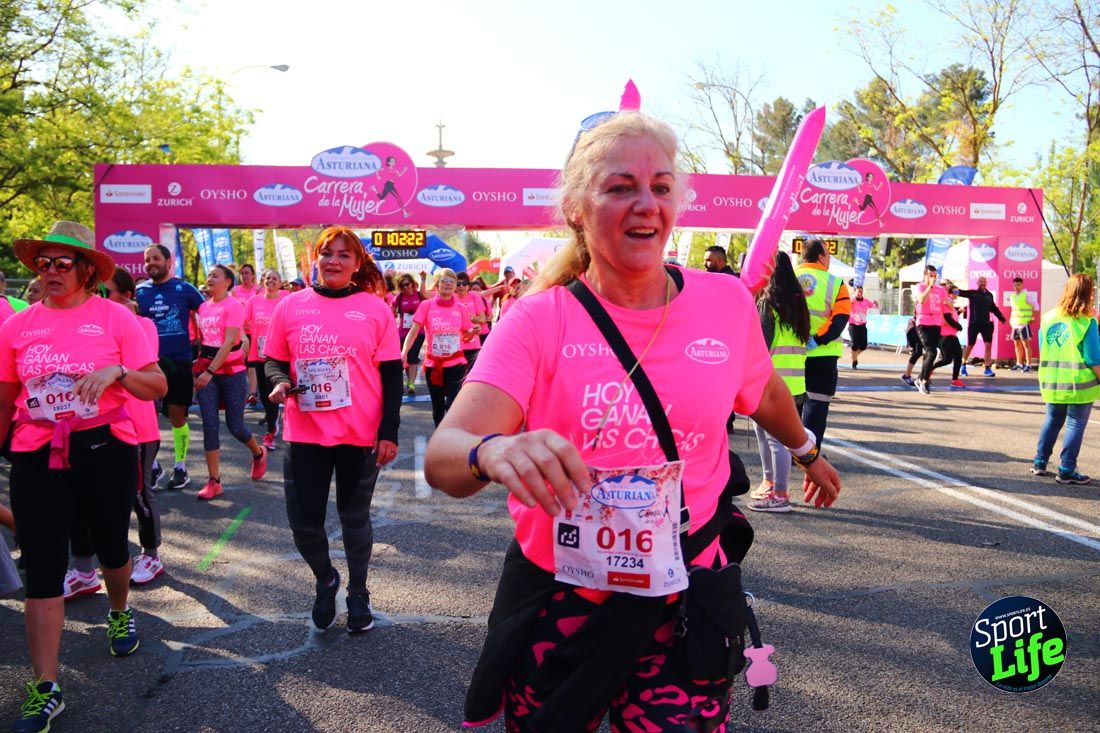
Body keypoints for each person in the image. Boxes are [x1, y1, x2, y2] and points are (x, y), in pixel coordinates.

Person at [423, 111, 840, 732]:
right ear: (576, 207)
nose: (646, 203)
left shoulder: (723, 303)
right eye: (620, 187)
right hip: (565, 603)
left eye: (662, 187)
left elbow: (767, 393)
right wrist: (491, 452)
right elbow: (442, 457)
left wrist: (807, 451)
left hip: (687, 597)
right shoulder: (539, 321)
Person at [0, 221, 166, 733]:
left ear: (87, 271)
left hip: (103, 450)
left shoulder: (116, 319)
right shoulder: (18, 325)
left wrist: (117, 372)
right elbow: (6, 396)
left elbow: (157, 385)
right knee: (45, 568)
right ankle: (46, 687)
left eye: (61, 263)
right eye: (42, 263)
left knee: (112, 547)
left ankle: (119, 609)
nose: (48, 271)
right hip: (36, 454)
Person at [264, 226, 402, 633]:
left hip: (359, 434)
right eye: (327, 253)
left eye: (344, 255)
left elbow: (392, 374)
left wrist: (388, 430)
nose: (334, 261)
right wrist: (278, 382)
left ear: (357, 263)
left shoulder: (374, 309)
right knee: (303, 523)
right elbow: (273, 360)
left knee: (353, 517)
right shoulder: (290, 306)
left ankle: (358, 592)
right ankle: (326, 579)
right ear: (317, 260)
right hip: (305, 432)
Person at [65, 267, 168, 597]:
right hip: (90, 428)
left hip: (138, 426)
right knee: (80, 500)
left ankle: (151, 555)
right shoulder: (77, 324)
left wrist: (118, 320)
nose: (99, 299)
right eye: (97, 292)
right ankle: (83, 569)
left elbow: (147, 371)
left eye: (106, 293)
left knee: (139, 496)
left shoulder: (140, 325)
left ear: (126, 295)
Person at [192, 264, 268, 499]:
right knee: (210, 425)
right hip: (206, 370)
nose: (210, 278)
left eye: (215, 275)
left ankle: (258, 453)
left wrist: (210, 371)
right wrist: (200, 366)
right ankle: (214, 481)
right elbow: (205, 340)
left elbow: (228, 342)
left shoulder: (234, 305)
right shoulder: (203, 307)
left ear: (227, 282)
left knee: (235, 426)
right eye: (209, 275)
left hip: (231, 372)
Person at [136, 244, 205, 490]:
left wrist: (206, 351)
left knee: (177, 416)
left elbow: (207, 315)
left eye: (156, 258)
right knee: (147, 417)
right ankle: (153, 468)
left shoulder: (185, 289)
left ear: (168, 261)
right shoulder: (139, 292)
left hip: (178, 362)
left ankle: (180, 467)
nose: (151, 263)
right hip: (148, 362)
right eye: (147, 260)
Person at [750, 252, 810, 513]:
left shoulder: (769, 302)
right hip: (794, 380)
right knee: (767, 435)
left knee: (774, 439)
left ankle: (780, 494)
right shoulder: (798, 302)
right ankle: (770, 483)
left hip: (770, 381)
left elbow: (759, 344)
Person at [1033, 274, 1100, 484]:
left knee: (1052, 420)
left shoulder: (1048, 317)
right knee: (1075, 423)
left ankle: (1040, 462)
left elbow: (1043, 347)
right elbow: (1093, 358)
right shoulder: (1087, 322)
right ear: (1088, 293)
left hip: (1052, 380)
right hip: (1079, 384)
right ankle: (1067, 469)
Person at [401, 268, 476, 426]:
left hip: (456, 364)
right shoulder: (426, 306)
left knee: (452, 404)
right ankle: (439, 438)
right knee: (438, 407)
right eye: (444, 281)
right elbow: (414, 332)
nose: (448, 284)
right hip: (433, 365)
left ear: (455, 285)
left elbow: (466, 336)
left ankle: (448, 436)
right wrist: (404, 352)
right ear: (437, 284)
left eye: (452, 281)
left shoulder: (461, 308)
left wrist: (472, 332)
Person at [795, 239, 850, 446]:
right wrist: (817, 339)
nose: (829, 259)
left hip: (789, 353)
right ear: (820, 256)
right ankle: (809, 455)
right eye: (828, 254)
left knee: (790, 405)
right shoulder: (836, 283)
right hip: (822, 354)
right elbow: (839, 320)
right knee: (816, 407)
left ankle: (786, 453)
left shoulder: (787, 277)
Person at [243, 269, 287, 450]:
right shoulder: (254, 301)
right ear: (262, 281)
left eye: (274, 279)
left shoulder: (285, 299)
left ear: (280, 282)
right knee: (267, 395)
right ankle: (272, 428)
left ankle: (273, 431)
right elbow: (243, 323)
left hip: (279, 354)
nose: (271, 281)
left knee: (280, 393)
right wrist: (245, 339)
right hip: (260, 355)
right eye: (268, 278)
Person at [958, 276, 1006, 377]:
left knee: (988, 345)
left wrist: (1001, 318)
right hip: (974, 324)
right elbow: (960, 292)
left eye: (984, 281)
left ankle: (987, 368)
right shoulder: (973, 293)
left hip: (986, 324)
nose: (982, 283)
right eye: (980, 281)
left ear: (986, 283)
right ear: (977, 283)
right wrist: (951, 289)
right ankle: (963, 365)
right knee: (970, 345)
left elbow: (993, 308)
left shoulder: (989, 295)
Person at [393, 271, 430, 395]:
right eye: (402, 285)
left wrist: (423, 279)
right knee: (404, 357)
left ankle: (411, 383)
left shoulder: (419, 296)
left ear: (413, 284)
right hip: (403, 332)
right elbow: (392, 311)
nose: (405, 287)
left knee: (413, 356)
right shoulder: (400, 297)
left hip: (418, 331)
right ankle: (408, 380)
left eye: (407, 284)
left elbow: (427, 296)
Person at [912, 265, 947, 395]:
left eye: (935, 276)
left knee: (930, 353)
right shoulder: (920, 287)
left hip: (936, 323)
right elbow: (921, 300)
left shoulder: (940, 289)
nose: (933, 278)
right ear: (925, 275)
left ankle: (920, 378)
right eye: (930, 276)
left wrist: (951, 301)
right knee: (931, 352)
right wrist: (930, 286)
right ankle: (924, 381)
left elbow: (946, 301)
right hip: (923, 323)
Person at [931, 280, 965, 388]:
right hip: (944, 335)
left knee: (958, 357)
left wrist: (959, 312)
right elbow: (947, 318)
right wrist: (957, 326)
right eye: (954, 292)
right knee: (947, 359)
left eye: (958, 293)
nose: (957, 295)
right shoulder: (946, 302)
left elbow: (952, 316)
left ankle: (955, 380)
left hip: (952, 335)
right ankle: (928, 369)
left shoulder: (951, 304)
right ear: (949, 293)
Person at [454, 271, 490, 367]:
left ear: (468, 286)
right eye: (458, 284)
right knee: (458, 374)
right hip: (456, 342)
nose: (461, 286)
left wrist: (469, 317)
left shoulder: (474, 297)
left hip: (473, 342)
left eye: (464, 284)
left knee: (471, 371)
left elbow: (482, 319)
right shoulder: (451, 298)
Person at [1008, 277, 1038, 371]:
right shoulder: (1012, 297)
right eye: (1015, 285)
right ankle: (1019, 363)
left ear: (1022, 285)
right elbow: (1014, 310)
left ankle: (1028, 364)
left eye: (1018, 285)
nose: (1017, 287)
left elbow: (1036, 305)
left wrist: (1034, 317)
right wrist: (1011, 320)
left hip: (1024, 324)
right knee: (1016, 344)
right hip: (1015, 324)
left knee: (1026, 344)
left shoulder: (1026, 294)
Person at [848, 285, 877, 369]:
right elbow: (845, 305)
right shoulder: (852, 301)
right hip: (853, 325)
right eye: (858, 291)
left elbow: (874, 306)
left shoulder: (866, 301)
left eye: (861, 291)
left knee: (863, 346)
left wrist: (876, 303)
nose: (860, 293)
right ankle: (854, 362)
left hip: (862, 325)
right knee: (854, 345)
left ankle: (854, 355)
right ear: (855, 292)